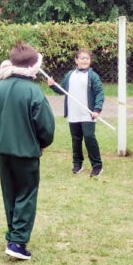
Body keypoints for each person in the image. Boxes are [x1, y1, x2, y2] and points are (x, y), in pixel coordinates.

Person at [0, 41, 55, 260]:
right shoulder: (34, 92)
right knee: (26, 194)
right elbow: (46, 126)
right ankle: (18, 242)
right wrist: (42, 142)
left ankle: (14, 234)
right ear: (33, 67)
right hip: (26, 152)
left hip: (2, 150)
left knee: (10, 193)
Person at [47, 48, 104, 177]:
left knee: (89, 137)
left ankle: (97, 166)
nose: (85, 60)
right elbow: (62, 90)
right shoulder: (70, 75)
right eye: (82, 58)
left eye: (87, 58)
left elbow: (99, 93)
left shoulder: (93, 76)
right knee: (76, 139)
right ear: (76, 60)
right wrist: (52, 85)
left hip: (88, 113)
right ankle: (77, 164)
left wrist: (97, 109)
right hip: (73, 113)